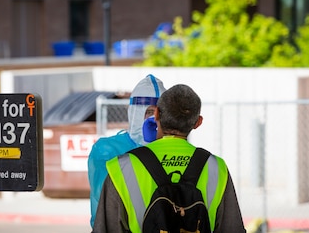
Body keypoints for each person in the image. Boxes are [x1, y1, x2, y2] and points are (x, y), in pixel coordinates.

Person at [93, 84, 246, 232]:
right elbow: (232, 228)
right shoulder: (216, 168)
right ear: (198, 123)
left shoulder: (121, 167)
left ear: (157, 114)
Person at [88, 74, 166, 227]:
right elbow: (107, 197)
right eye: (149, 112)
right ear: (135, 113)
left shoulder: (169, 148)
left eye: (159, 114)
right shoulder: (107, 149)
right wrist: (147, 150)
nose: (154, 120)